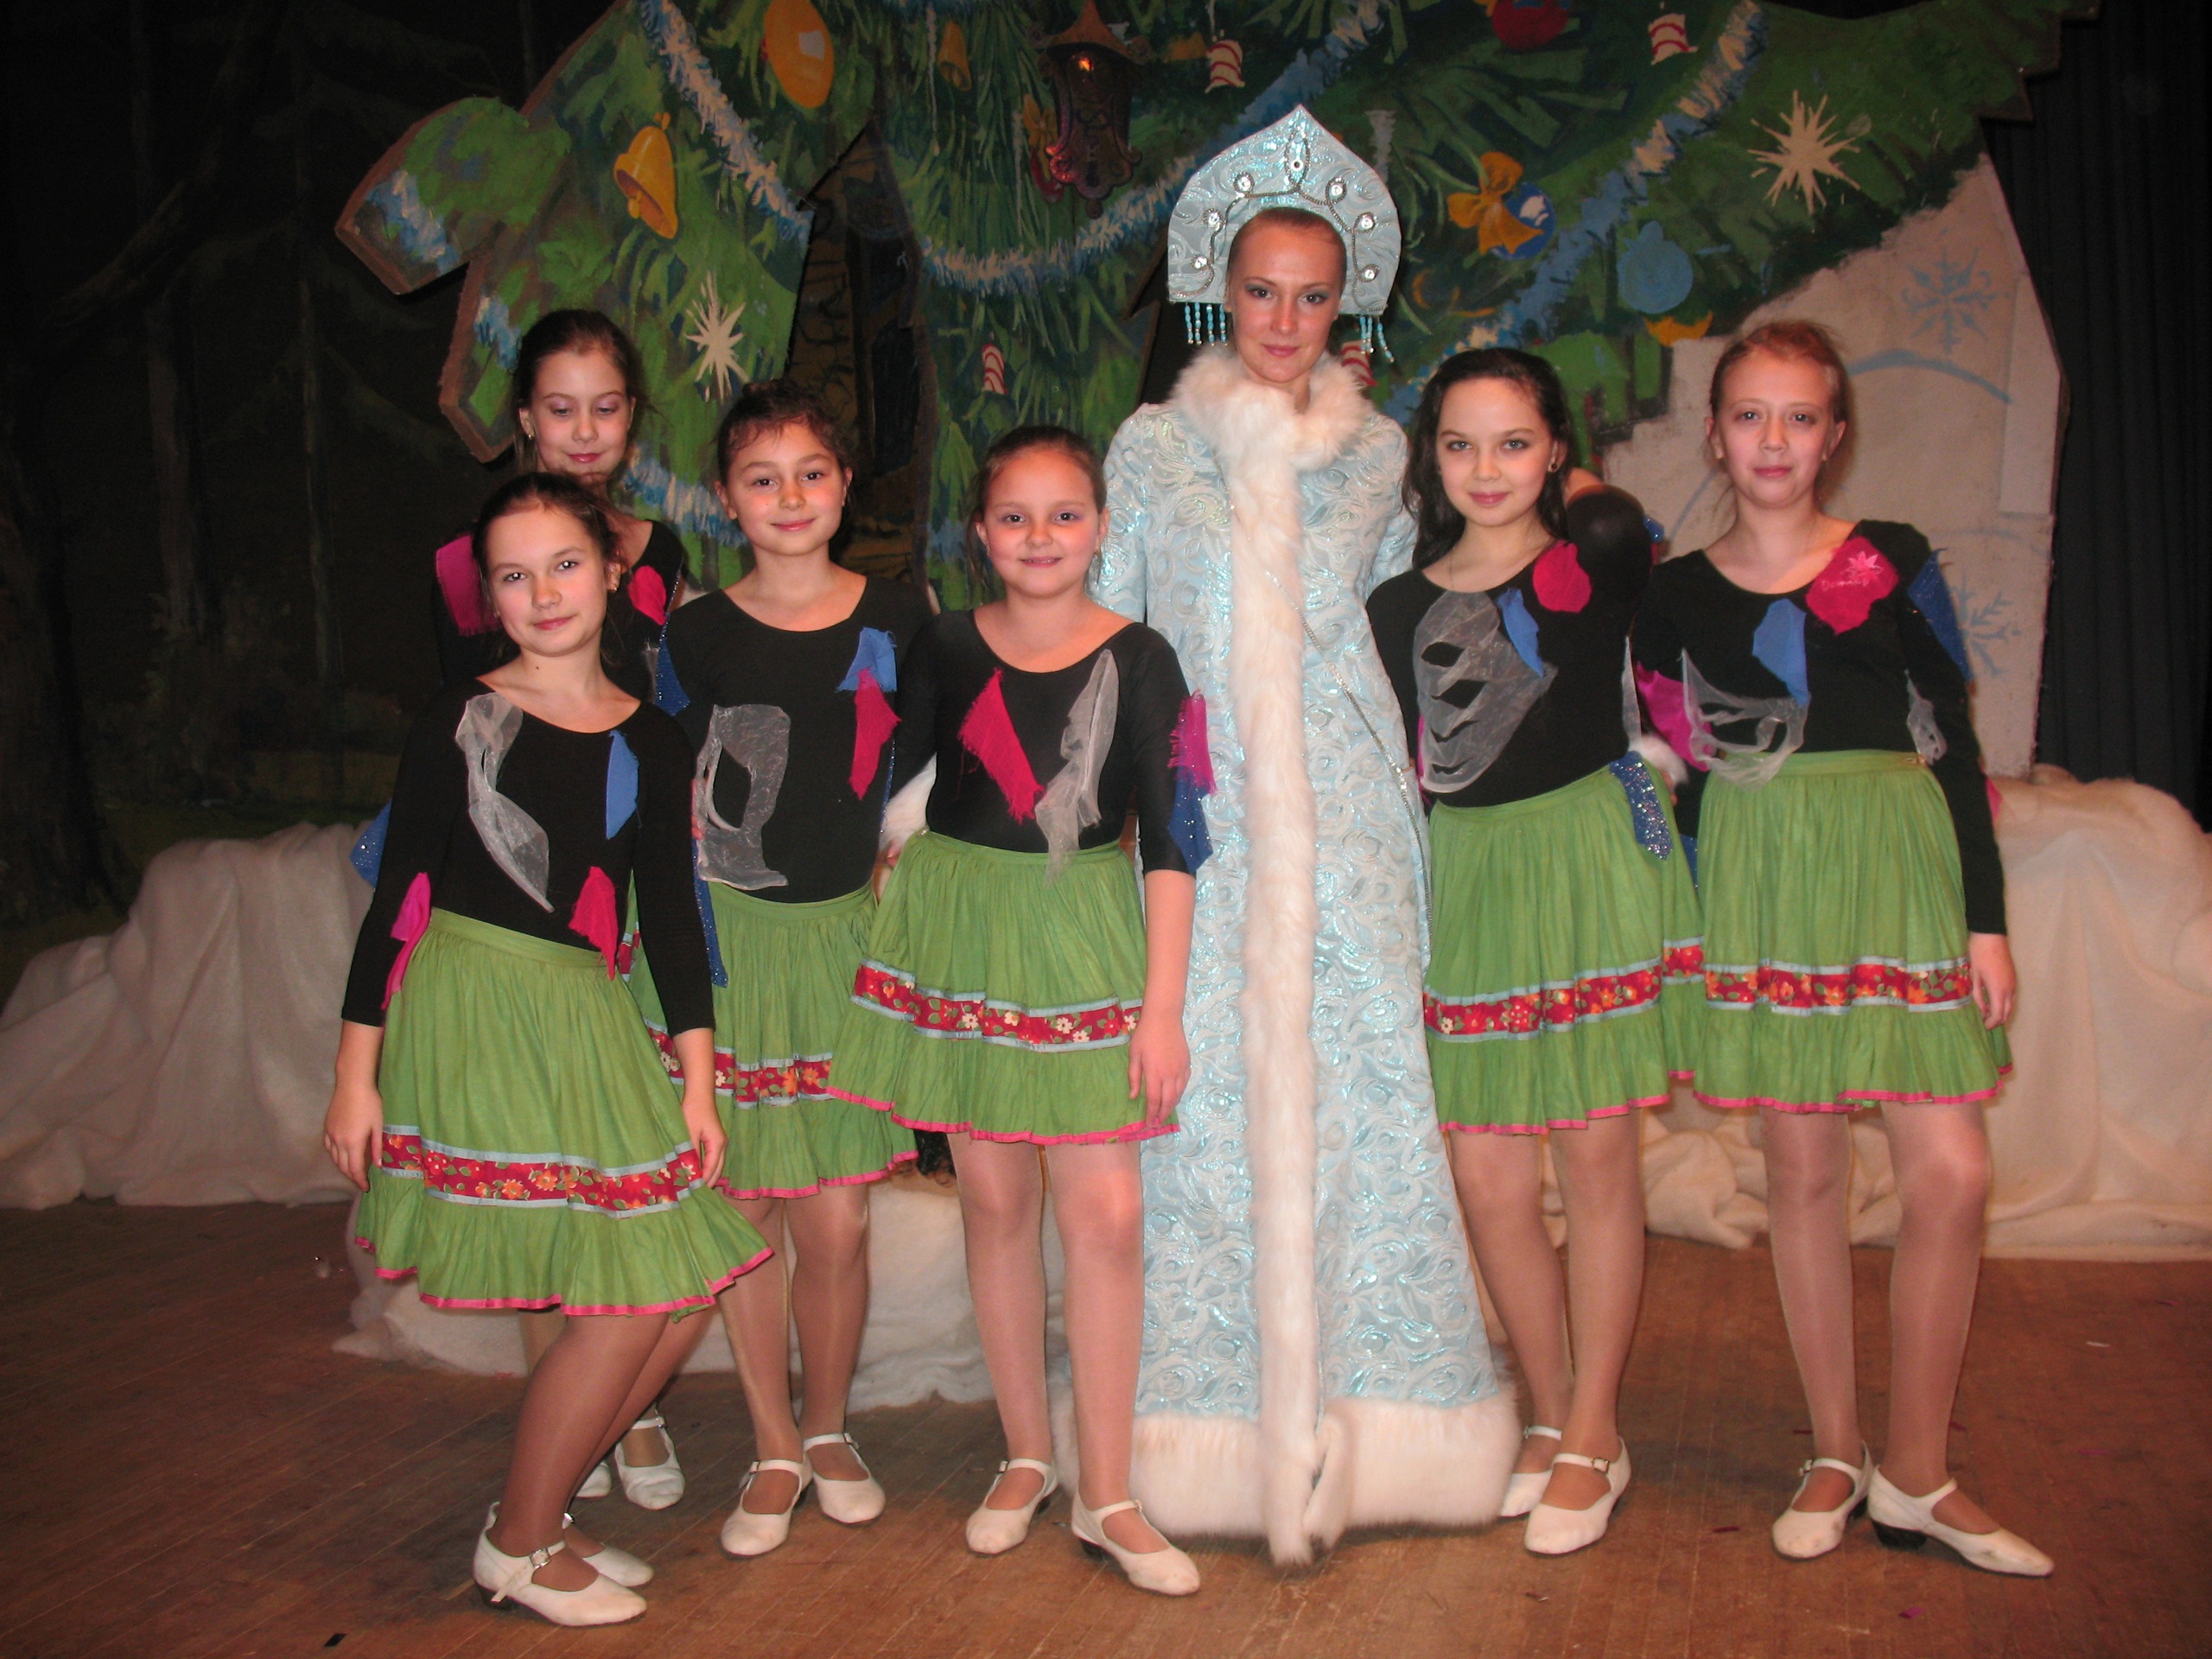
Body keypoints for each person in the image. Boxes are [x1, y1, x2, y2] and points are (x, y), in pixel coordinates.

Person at [1091, 106, 1516, 1566]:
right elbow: (1109, 635)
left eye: (1314, 295)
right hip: (1204, 820)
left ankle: (1387, 1424)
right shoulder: (1153, 446)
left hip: (1345, 820)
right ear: (1220, 291)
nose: (1284, 321)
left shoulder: (1382, 451)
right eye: (1261, 291)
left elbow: (1409, 619)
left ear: (1349, 308)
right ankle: (1196, 1442)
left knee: (1367, 1096)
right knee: (1201, 1110)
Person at [1632, 321, 2050, 1576]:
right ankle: (1833, 1449)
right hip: (1762, 882)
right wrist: (1683, 926)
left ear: (1834, 436)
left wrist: (1984, 919)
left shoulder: (1893, 558)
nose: (1774, 440)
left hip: (1898, 870)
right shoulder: (1671, 596)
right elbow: (1664, 772)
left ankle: (1916, 1471)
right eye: (1749, 415)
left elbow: (1952, 742)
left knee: (1950, 1172)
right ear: (1716, 437)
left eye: (1799, 416)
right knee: (1801, 1171)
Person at [322, 472, 770, 1625]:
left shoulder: (654, 737)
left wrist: (699, 1083)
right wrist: (355, 1074)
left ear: (612, 571)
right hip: (479, 1009)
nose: (544, 593)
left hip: (585, 1010)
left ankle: (538, 1513)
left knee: (675, 1285)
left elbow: (670, 914)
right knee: (627, 1301)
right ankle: (519, 1544)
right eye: (514, 577)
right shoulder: (462, 718)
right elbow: (401, 898)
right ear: (491, 597)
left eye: (565, 564)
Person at [828, 425, 1205, 1595]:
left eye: (1064, 514)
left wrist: (1161, 1009)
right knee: (994, 1200)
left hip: (1084, 932)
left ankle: (1109, 1490)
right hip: (961, 930)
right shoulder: (942, 642)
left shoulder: (1143, 656)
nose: (1040, 537)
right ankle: (1026, 1454)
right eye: (1013, 516)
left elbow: (1174, 835)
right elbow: (888, 781)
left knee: (1106, 1214)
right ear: (980, 533)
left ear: (1101, 527)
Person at [1368, 349, 1699, 1555]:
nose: (1487, 469)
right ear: (1430, 457)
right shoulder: (1395, 605)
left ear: (1557, 448)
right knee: (1491, 1178)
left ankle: (1596, 1430)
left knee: (1597, 1158)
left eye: (1515, 442)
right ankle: (1556, 1415)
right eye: (1460, 444)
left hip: (1588, 859)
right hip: (1470, 879)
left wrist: (1569, 485)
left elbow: (1613, 520)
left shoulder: (1592, 557)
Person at [625, 382, 930, 1558]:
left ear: (845, 486)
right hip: (733, 943)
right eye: (763, 478)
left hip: (844, 939)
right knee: (746, 1204)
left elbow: (925, 766)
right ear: (727, 498)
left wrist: (905, 876)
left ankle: (829, 1425)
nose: (790, 497)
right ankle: (771, 1444)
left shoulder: (899, 614)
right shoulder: (697, 632)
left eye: (812, 473)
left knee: (838, 1220)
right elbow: (660, 778)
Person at [433, 310, 684, 704]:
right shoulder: (464, 556)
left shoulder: (660, 549)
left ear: (630, 412)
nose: (585, 432)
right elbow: (466, 708)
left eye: (605, 409)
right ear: (527, 417)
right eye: (562, 411)